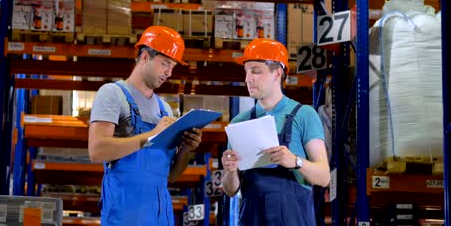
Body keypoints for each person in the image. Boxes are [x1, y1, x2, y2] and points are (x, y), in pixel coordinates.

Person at [88, 26, 203, 226]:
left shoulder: (164, 109)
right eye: (165, 63)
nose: (169, 72)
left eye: (173, 66)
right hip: (125, 216)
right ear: (144, 57)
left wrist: (186, 148)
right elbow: (97, 151)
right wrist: (150, 136)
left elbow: (171, 176)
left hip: (160, 216)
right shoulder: (113, 94)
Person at [221, 38, 330, 226]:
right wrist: (230, 172)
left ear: (277, 73)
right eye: (246, 72)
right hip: (252, 218)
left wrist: (295, 161)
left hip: (294, 218)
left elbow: (323, 176)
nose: (248, 78)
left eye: (255, 71)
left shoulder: (304, 115)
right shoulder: (240, 123)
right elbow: (231, 190)